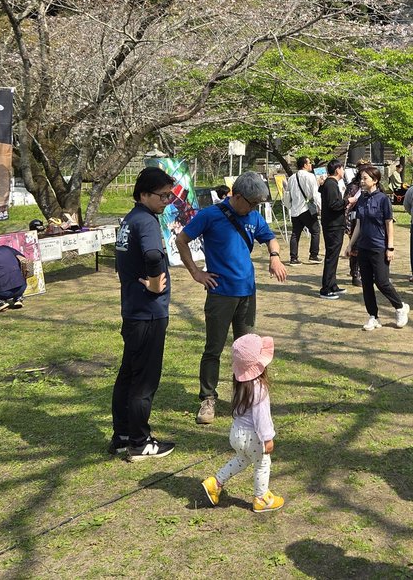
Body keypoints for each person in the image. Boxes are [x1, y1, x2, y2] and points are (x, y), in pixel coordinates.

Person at [176, 171, 287, 425]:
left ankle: (245, 399)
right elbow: (181, 240)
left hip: (247, 292)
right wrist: (196, 273)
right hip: (220, 294)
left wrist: (275, 256)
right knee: (213, 348)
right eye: (252, 203)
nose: (254, 208)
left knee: (247, 349)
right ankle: (208, 398)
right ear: (237, 196)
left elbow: (270, 238)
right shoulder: (209, 215)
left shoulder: (253, 216)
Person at [110, 167, 178, 461]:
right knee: (144, 380)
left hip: (133, 310)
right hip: (148, 313)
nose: (166, 201)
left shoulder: (130, 220)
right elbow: (152, 254)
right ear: (144, 194)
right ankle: (139, 442)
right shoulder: (147, 221)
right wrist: (154, 282)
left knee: (128, 375)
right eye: (162, 196)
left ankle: (123, 435)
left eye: (169, 196)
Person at [200, 334, 284, 513]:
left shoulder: (239, 383)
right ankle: (261, 498)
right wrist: (268, 438)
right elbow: (262, 418)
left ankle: (216, 482)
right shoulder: (259, 388)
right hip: (253, 437)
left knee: (242, 459)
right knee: (263, 463)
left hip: (237, 433)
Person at [343, 166, 409, 331]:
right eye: (361, 178)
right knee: (366, 284)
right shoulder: (362, 198)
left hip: (379, 246)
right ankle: (373, 316)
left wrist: (390, 247)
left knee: (382, 282)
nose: (362, 181)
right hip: (363, 247)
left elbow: (389, 223)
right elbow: (358, 224)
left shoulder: (383, 199)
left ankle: (400, 307)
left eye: (365, 178)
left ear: (375, 180)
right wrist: (350, 244)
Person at [318, 159, 349, 299]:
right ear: (337, 170)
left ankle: (332, 284)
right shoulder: (331, 184)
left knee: (334, 256)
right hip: (333, 225)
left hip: (334, 224)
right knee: (331, 256)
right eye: (342, 168)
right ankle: (326, 288)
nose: (343, 171)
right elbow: (334, 205)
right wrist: (347, 201)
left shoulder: (330, 183)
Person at [283, 156, 322, 265]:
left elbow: (287, 195)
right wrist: (320, 207)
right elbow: (315, 194)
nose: (311, 165)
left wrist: (290, 206)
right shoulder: (310, 176)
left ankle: (293, 258)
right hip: (307, 208)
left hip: (295, 209)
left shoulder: (292, 178)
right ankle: (313, 255)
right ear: (305, 165)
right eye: (309, 163)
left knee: (295, 233)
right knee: (315, 230)